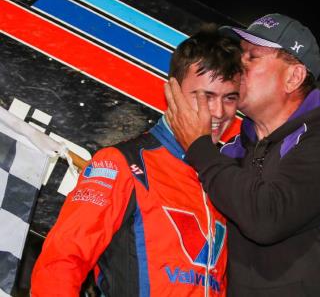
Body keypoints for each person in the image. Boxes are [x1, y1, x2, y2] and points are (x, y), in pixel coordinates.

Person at [165, 14, 320, 296]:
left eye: (252, 57)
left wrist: (199, 146)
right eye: (239, 54)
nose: (237, 64)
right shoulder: (231, 151)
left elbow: (266, 220)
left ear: (293, 77)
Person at [31, 27, 242, 296]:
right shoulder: (120, 164)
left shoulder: (224, 179)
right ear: (172, 93)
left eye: (230, 98)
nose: (218, 112)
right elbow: (61, 263)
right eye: (206, 96)